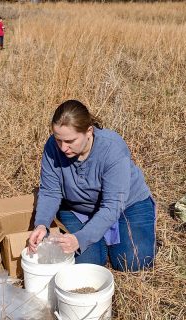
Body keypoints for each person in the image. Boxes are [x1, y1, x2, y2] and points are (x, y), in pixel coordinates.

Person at [28, 100, 156, 272]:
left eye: (70, 141)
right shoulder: (53, 147)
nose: (63, 147)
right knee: (86, 265)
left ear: (89, 131)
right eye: (58, 140)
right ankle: (99, 237)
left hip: (126, 205)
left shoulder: (112, 149)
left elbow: (112, 205)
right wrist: (42, 224)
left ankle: (128, 234)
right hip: (78, 208)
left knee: (133, 260)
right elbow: (50, 191)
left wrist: (81, 238)